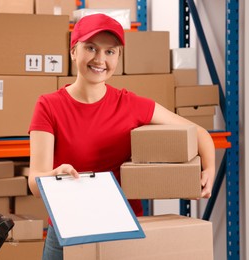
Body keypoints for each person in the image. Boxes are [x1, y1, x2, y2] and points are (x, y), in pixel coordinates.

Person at [28, 13, 215, 260]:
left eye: (110, 52)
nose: (99, 59)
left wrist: (209, 169)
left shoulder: (131, 104)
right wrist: (53, 177)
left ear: (118, 57)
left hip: (123, 228)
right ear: (74, 51)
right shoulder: (49, 106)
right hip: (68, 230)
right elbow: (34, 182)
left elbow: (200, 133)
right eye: (91, 48)